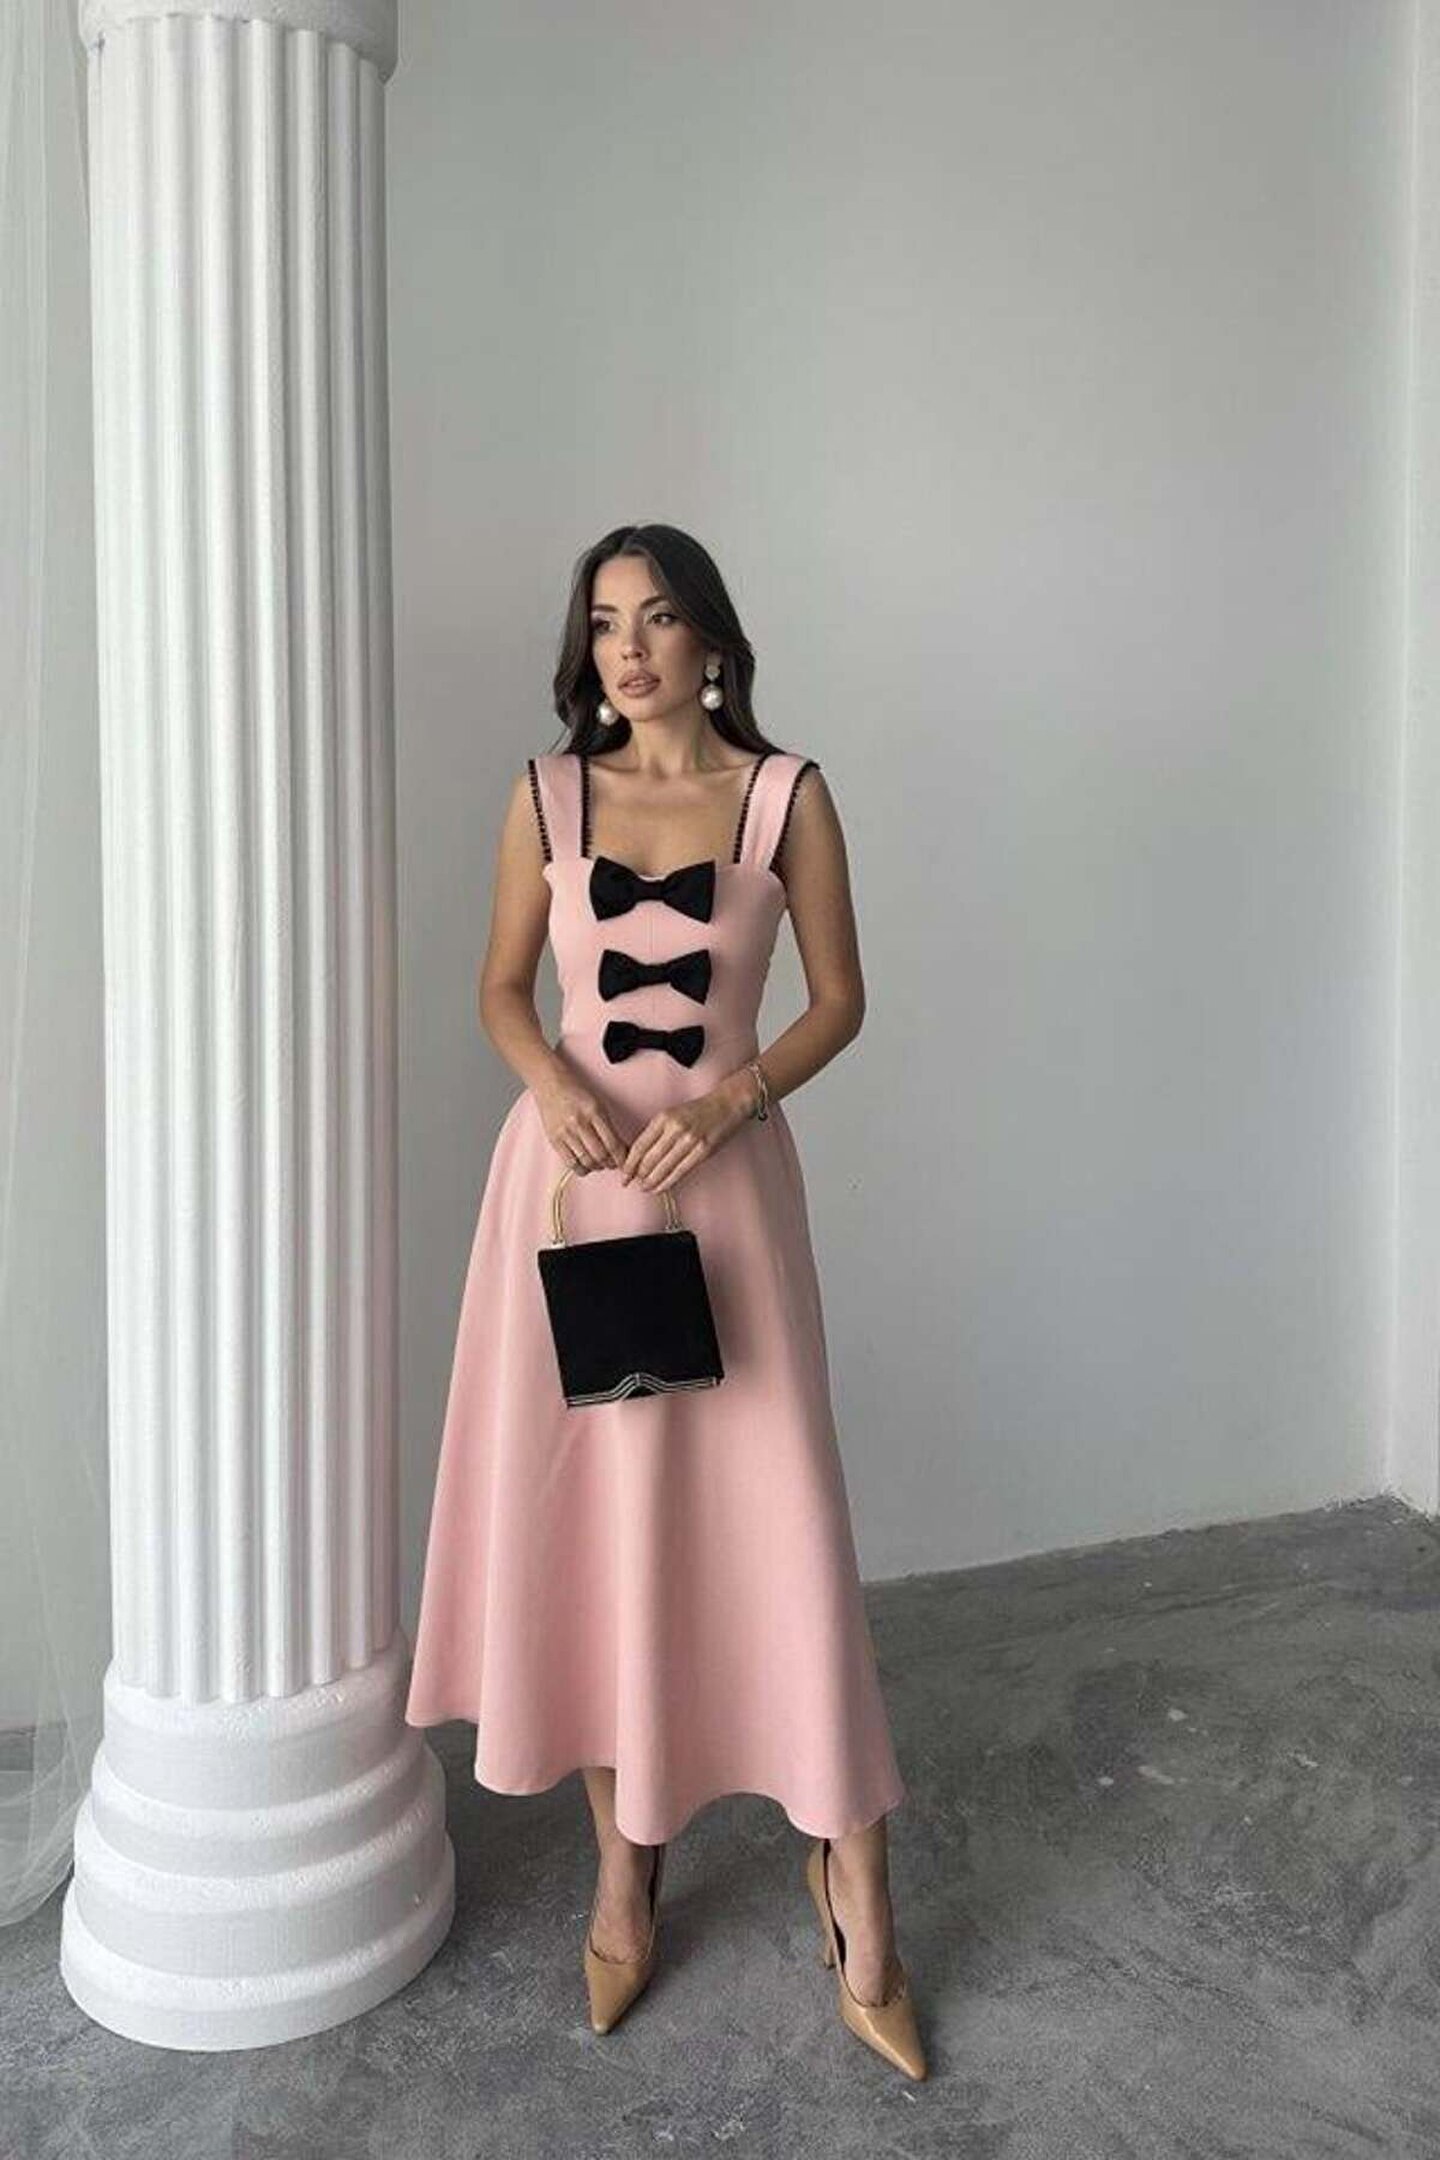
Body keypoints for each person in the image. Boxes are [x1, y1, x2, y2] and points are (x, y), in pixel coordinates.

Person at [405, 523, 926, 2079]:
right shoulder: (547, 796)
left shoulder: (787, 797)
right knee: (599, 1528)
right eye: (604, 623)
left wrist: (733, 1099)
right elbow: (501, 989)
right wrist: (549, 1081)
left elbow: (841, 999)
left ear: (713, 640)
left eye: (657, 618)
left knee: (785, 1524)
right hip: (572, 1200)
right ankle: (625, 1878)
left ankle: (856, 1884)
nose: (627, 649)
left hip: (730, 1200)